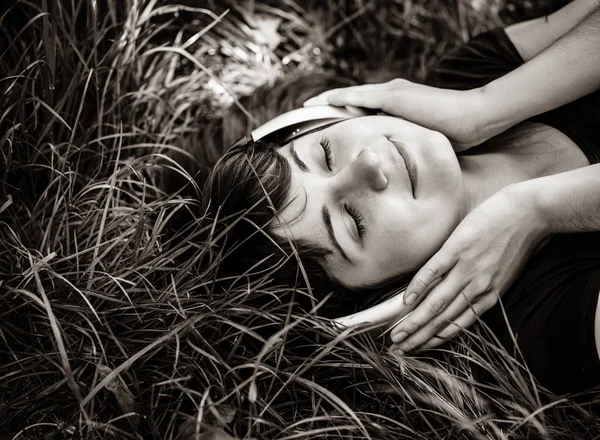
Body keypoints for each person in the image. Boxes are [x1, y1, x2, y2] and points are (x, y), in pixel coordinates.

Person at [203, 0, 600, 395]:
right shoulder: (541, 325)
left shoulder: (466, 79)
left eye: (325, 153)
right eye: (354, 221)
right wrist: (541, 210)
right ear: (386, 302)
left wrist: (487, 105)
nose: (369, 163)